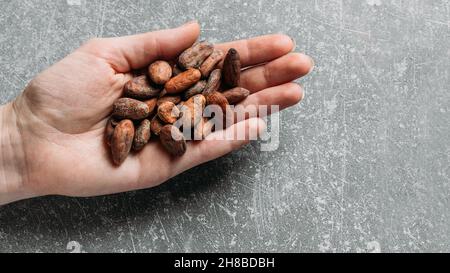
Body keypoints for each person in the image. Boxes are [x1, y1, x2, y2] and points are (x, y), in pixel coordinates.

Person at [0, 21, 314, 206]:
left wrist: (17, 137)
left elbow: (194, 93)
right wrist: (18, 135)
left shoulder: (193, 88)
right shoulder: (158, 104)